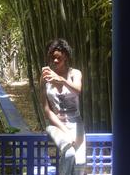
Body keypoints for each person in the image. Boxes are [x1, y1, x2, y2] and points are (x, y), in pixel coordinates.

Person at [40, 39, 86, 175]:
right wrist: (65, 131)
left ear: (65, 56)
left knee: (80, 164)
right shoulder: (45, 77)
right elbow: (47, 110)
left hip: (76, 124)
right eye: (53, 58)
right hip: (56, 125)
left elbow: (77, 90)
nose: (55, 61)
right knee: (69, 153)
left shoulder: (75, 74)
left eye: (58, 58)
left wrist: (62, 80)